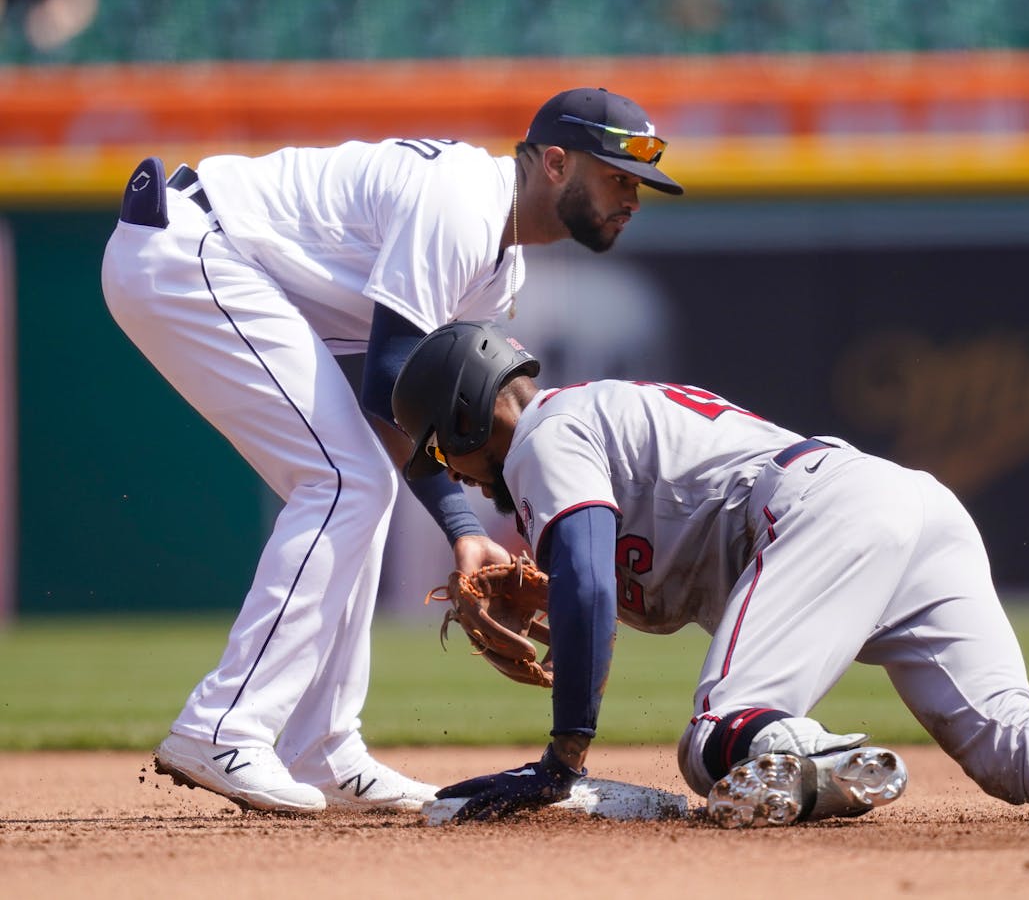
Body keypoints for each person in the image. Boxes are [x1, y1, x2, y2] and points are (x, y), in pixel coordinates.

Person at [390, 320, 1029, 828]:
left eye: (446, 453)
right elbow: (623, 569)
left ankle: (820, 763)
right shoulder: (578, 433)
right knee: (1013, 752)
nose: (457, 475)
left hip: (820, 510)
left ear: (471, 417)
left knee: (716, 739)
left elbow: (604, 584)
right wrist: (555, 589)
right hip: (893, 507)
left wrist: (564, 758)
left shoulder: (543, 436)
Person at [100, 88, 683, 814]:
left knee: (357, 480)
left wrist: (506, 540)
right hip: (191, 246)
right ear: (557, 164)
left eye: (639, 183)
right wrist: (465, 532)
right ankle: (223, 725)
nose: (632, 197)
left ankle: (323, 748)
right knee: (345, 482)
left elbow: (417, 407)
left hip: (216, 258)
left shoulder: (500, 271)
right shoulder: (464, 202)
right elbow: (386, 388)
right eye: (618, 176)